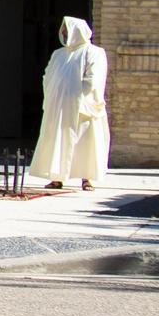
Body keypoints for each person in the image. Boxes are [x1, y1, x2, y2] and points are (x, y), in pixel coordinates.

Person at [33, 16, 110, 191]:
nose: (66, 34)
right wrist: (53, 97)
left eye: (69, 31)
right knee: (58, 141)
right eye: (64, 31)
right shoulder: (58, 54)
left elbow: (93, 79)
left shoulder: (94, 52)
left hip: (82, 108)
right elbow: (48, 76)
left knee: (85, 143)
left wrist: (78, 97)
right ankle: (56, 177)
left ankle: (86, 179)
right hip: (58, 108)